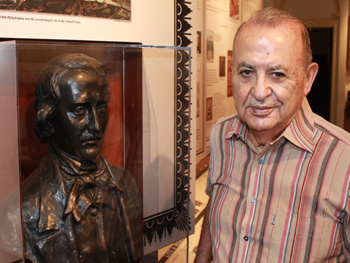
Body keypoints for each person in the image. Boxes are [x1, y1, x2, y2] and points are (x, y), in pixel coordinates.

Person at [195, 7, 350, 263]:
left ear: (308, 79)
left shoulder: (343, 161)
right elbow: (215, 205)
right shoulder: (222, 135)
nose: (259, 91)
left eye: (277, 74)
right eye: (246, 72)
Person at [21, 53, 143, 263]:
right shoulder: (25, 209)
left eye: (101, 107)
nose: (95, 125)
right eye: (79, 110)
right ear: (49, 117)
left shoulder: (126, 184)